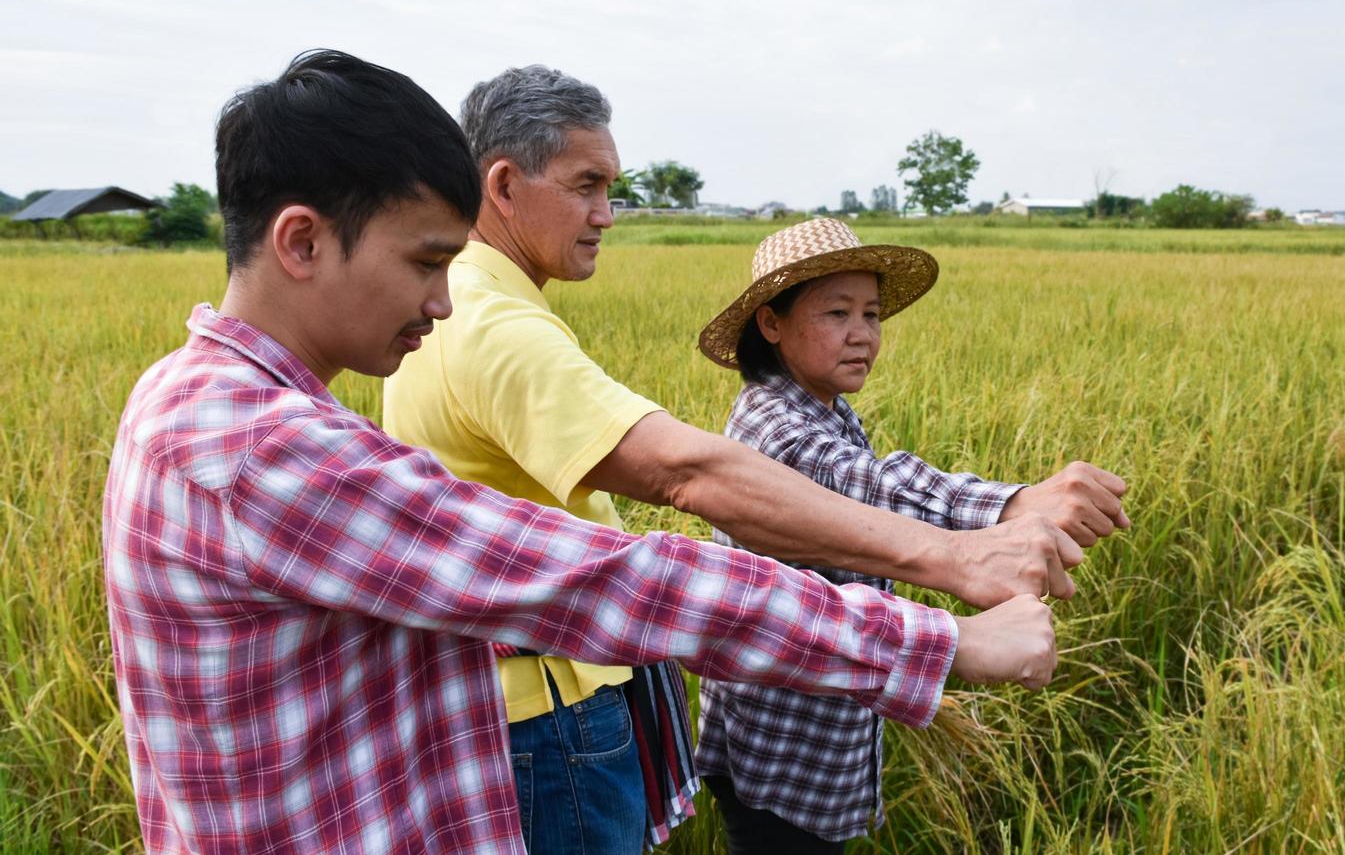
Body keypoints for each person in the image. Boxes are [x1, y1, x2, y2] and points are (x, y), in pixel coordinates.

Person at [102, 50, 1061, 855]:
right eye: (425, 262)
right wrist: (944, 637)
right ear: (302, 243)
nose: (439, 302)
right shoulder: (264, 453)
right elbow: (612, 575)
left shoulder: (186, 395)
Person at [382, 65, 1129, 852]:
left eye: (867, 313)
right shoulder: (494, 323)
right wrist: (967, 547)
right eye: (587, 184)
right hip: (551, 716)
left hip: (536, 700)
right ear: (503, 184)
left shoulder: (469, 304)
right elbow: (692, 473)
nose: (608, 212)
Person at [692, 218, 1129, 853]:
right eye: (837, 312)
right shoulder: (776, 427)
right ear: (771, 323)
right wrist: (1014, 504)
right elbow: (867, 484)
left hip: (817, 717)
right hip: (783, 742)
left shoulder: (821, 403)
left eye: (872, 314)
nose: (863, 335)